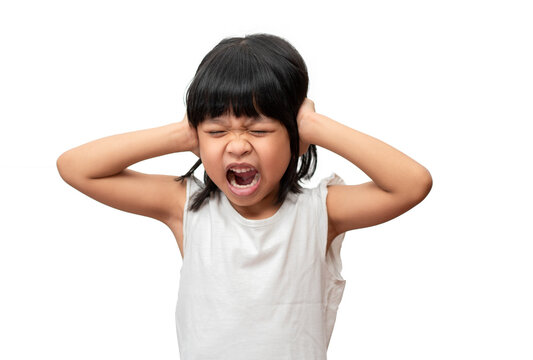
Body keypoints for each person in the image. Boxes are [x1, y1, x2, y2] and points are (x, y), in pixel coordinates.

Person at [57, 33, 432, 360]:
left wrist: (314, 126)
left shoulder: (320, 212)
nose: (237, 146)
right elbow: (76, 167)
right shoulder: (184, 206)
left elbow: (412, 184)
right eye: (218, 131)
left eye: (259, 129)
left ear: (295, 138)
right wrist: (184, 134)